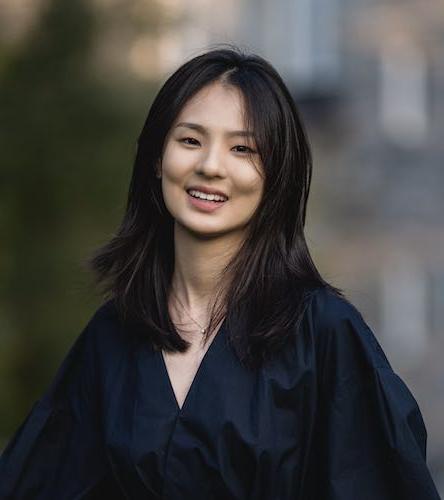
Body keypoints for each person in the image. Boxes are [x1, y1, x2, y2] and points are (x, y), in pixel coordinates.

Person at [0, 45, 441, 500]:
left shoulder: (324, 334)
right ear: (156, 157)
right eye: (190, 140)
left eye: (242, 148)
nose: (210, 166)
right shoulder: (114, 335)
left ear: (276, 175)